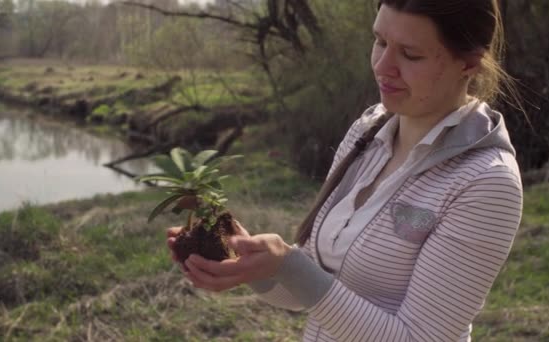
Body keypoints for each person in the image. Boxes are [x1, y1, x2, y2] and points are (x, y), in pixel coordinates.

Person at [167, 1, 523, 341]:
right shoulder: (367, 132)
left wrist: (289, 266)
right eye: (380, 41)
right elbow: (314, 291)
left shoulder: (486, 182)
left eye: (410, 54)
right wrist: (252, 265)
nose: (383, 65)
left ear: (469, 63)